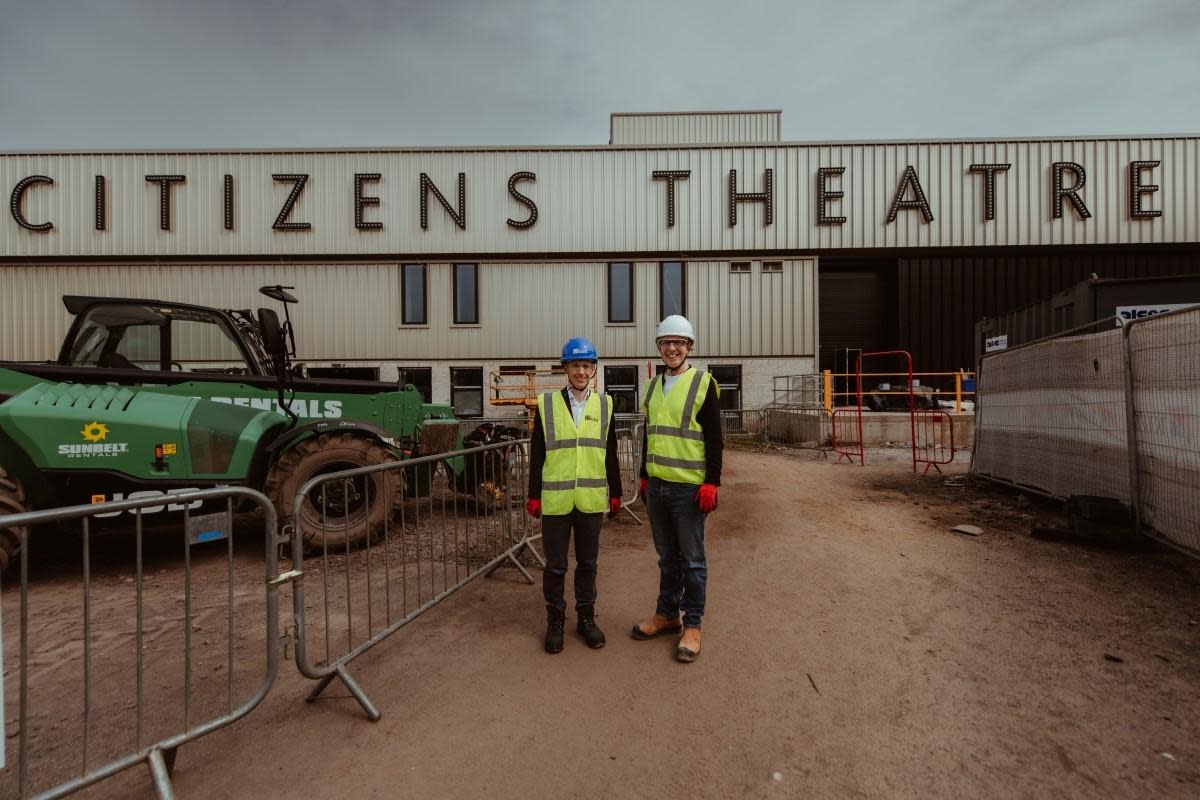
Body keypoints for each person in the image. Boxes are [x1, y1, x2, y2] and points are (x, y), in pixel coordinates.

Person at [631, 315, 723, 663]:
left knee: (693, 561)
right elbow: (650, 433)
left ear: (690, 348)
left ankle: (693, 625)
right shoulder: (653, 386)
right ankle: (667, 614)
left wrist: (712, 481)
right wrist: (643, 474)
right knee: (667, 558)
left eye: (679, 343)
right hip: (658, 486)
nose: (672, 348)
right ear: (659, 347)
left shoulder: (703, 383)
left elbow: (715, 439)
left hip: (688, 490)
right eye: (666, 342)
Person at [526, 336, 623, 654]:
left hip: (590, 499)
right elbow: (537, 451)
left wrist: (616, 492)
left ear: (594, 369)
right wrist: (534, 494)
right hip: (555, 500)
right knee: (555, 566)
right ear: (565, 367)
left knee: (588, 564)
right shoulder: (547, 404)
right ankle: (555, 620)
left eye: (586, 365)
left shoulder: (606, 405)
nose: (581, 371)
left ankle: (586, 619)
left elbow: (610, 450)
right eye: (575, 365)